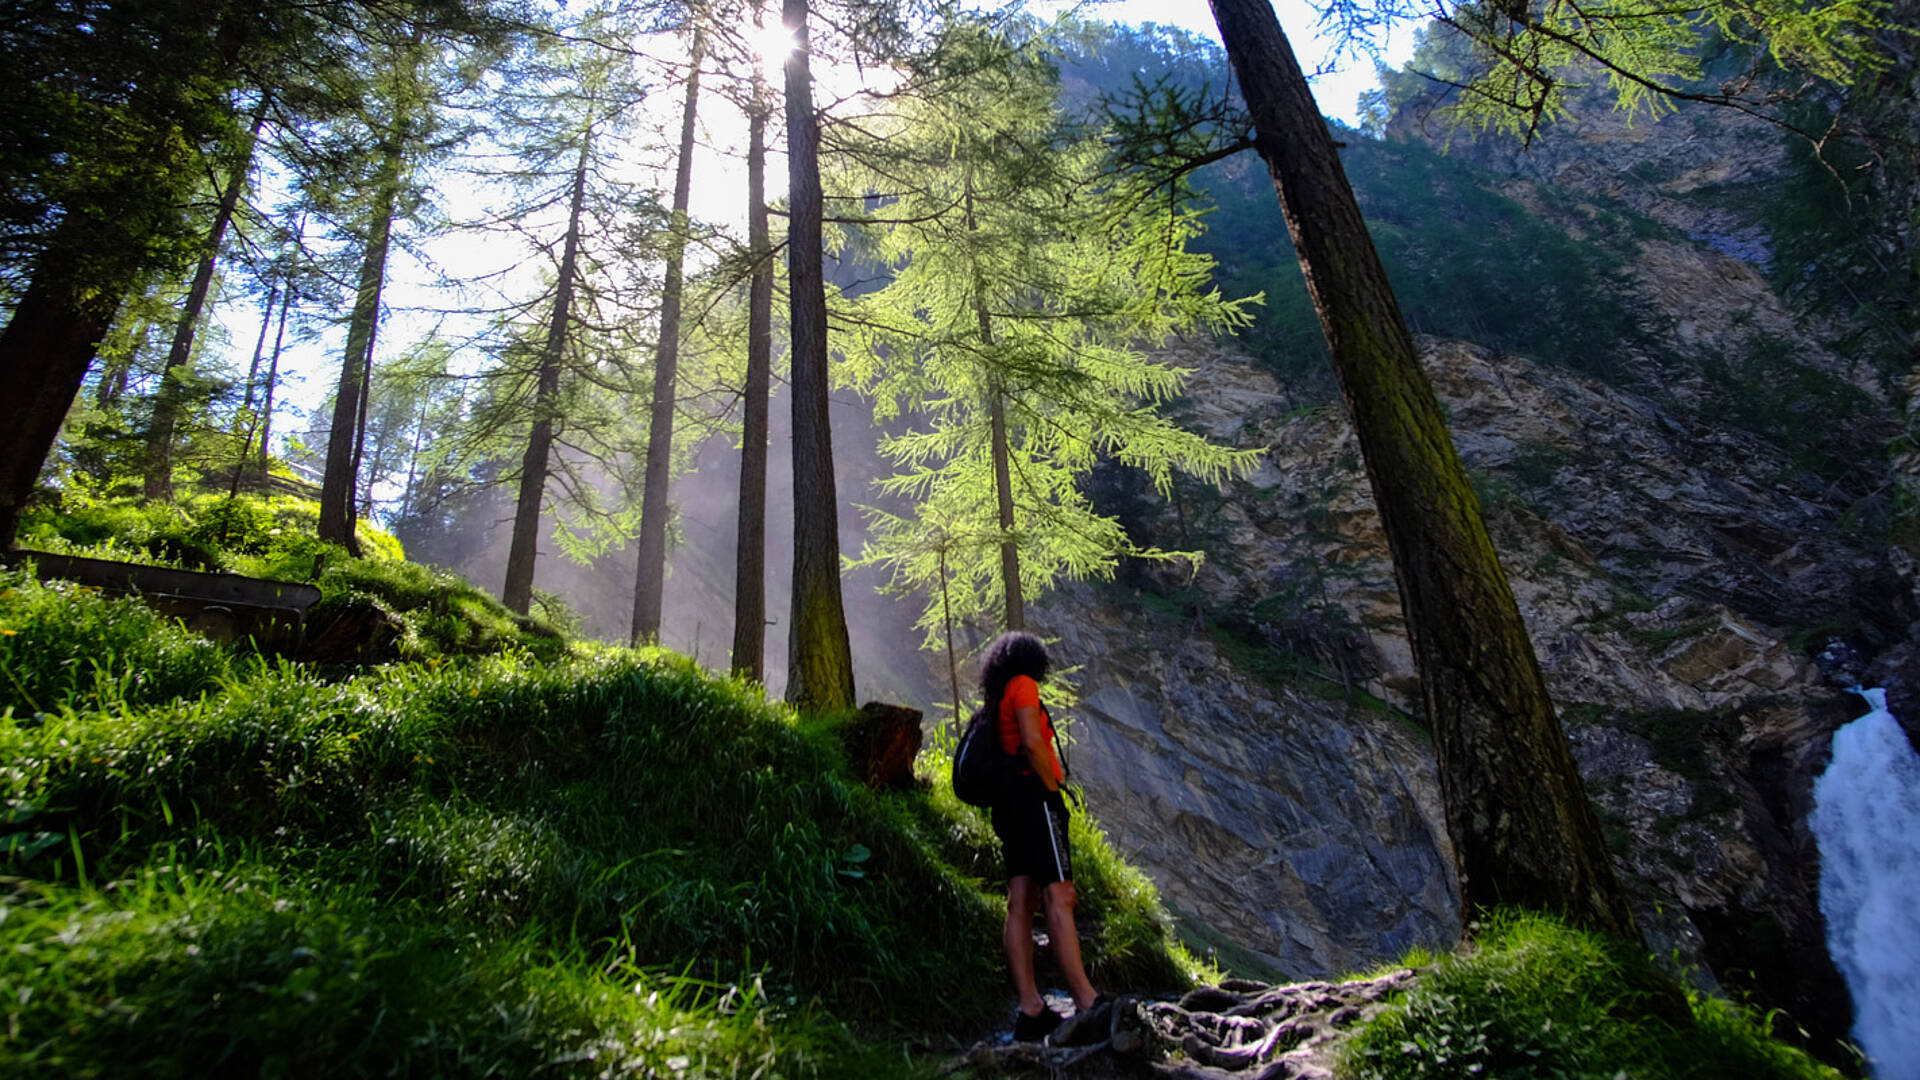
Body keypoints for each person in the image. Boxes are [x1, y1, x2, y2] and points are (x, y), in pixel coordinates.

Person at [979, 630, 1103, 1042]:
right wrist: (1054, 794)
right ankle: (1087, 1001)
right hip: (1035, 801)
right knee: (1059, 894)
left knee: (1021, 900)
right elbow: (1034, 743)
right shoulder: (1024, 686)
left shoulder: (998, 697)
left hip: (1011, 807)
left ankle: (1031, 1008)